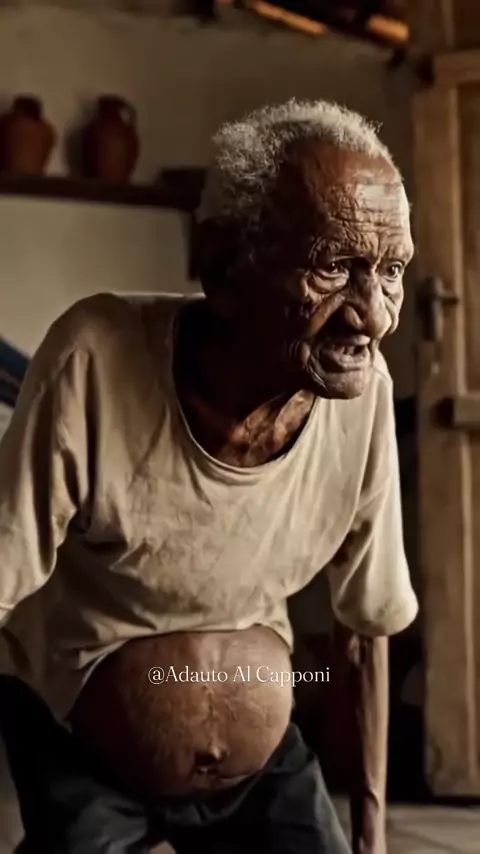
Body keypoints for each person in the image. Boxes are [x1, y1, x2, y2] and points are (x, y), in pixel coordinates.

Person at [0, 99, 418, 854]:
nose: (375, 318)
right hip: (81, 747)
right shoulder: (94, 359)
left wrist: (371, 837)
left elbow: (367, 627)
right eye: (334, 266)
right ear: (225, 266)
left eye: (391, 272)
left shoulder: (367, 398)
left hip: (262, 770)